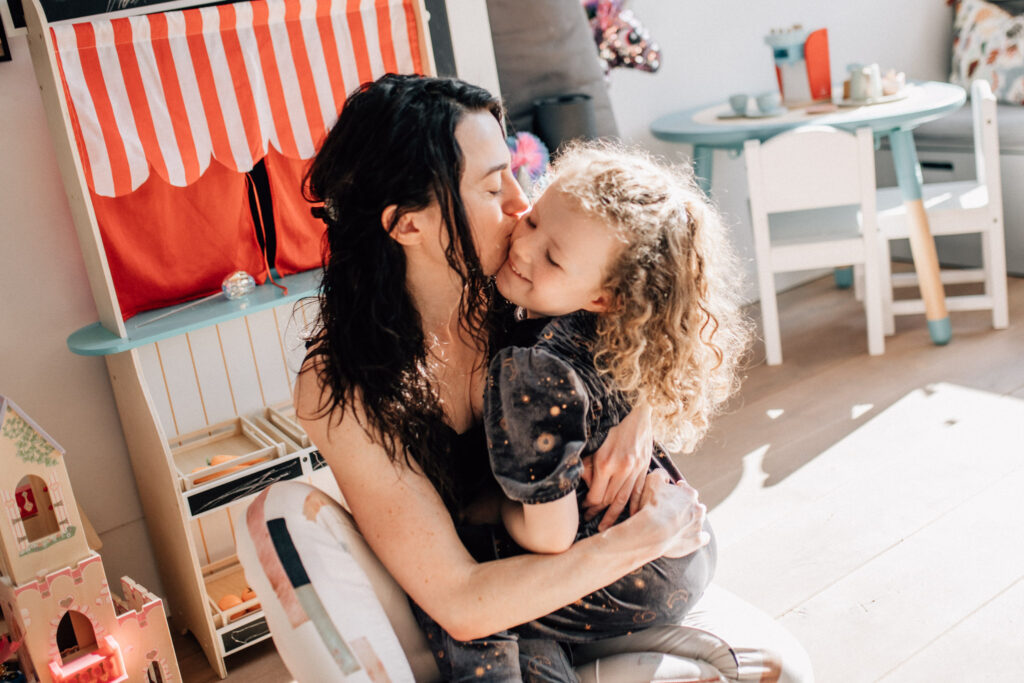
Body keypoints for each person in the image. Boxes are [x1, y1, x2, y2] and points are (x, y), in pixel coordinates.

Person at [285, 73, 812, 682]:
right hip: (505, 603)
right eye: (491, 186)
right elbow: (459, 600)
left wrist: (639, 412)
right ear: (408, 225)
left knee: (784, 670)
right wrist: (646, 536)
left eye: (512, 171)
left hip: (602, 587)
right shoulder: (342, 387)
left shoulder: (526, 287)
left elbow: (654, 305)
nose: (520, 202)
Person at [415, 141, 748, 677]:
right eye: (533, 221)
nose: (523, 248)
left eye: (552, 257)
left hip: (627, 574)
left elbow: (550, 538)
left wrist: (486, 511)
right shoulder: (617, 327)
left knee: (473, 597)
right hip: (684, 553)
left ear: (603, 297)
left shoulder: (530, 368)